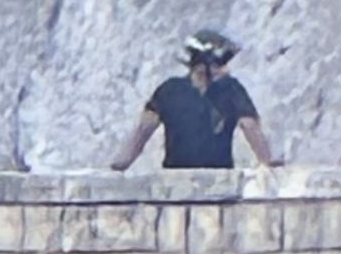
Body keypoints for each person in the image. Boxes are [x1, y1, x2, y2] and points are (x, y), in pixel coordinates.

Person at [113, 30, 277, 171]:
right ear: (203, 64)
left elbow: (143, 129)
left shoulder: (168, 90)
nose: (225, 69)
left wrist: (121, 164)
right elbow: (250, 126)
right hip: (218, 181)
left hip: (175, 183)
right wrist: (268, 162)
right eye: (220, 64)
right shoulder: (232, 90)